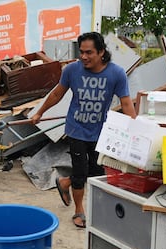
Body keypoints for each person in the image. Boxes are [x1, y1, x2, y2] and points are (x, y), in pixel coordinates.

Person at [31, 32, 136, 228]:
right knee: (81, 173)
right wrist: (40, 113)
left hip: (100, 132)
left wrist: (135, 129)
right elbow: (57, 94)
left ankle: (65, 183)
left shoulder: (116, 74)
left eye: (89, 52)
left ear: (101, 52)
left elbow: (126, 103)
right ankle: (79, 211)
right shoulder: (72, 70)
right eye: (82, 52)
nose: (84, 57)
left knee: (96, 173)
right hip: (76, 129)